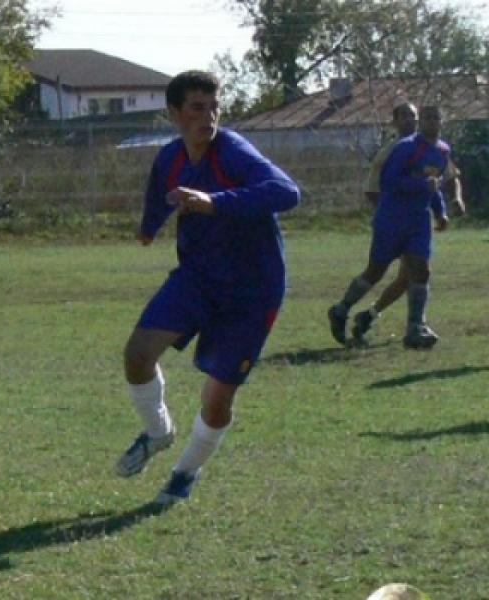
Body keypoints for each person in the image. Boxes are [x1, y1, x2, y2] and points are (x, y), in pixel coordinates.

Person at [113, 70, 300, 506]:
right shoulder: (170, 158)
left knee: (217, 397)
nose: (209, 117)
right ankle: (158, 432)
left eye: (214, 107)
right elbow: (160, 193)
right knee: (137, 355)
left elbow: (286, 192)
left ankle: (184, 474)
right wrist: (148, 228)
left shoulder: (231, 151)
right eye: (197, 108)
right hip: (197, 277)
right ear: (174, 114)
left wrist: (216, 202)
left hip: (252, 291)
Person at [327, 105, 456, 350]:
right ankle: (341, 309)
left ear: (442, 122)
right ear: (421, 123)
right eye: (427, 118)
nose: (432, 122)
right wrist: (421, 185)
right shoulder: (405, 147)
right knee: (375, 272)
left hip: (418, 222)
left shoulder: (442, 151)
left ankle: (416, 328)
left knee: (421, 271)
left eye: (436, 118)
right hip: (392, 219)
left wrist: (440, 212)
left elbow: (434, 185)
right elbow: (389, 181)